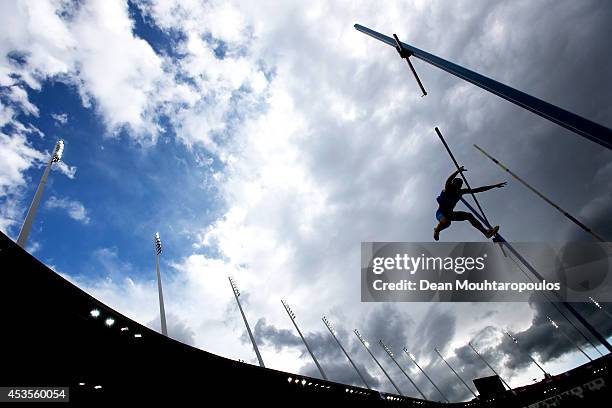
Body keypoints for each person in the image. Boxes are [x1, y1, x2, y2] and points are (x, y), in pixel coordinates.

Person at [434, 166, 506, 241]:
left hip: (450, 214)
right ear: (453, 183)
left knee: (468, 215)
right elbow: (448, 180)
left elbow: (478, 190)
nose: (458, 186)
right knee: (447, 222)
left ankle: (486, 232)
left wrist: (494, 186)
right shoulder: (448, 189)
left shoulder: (461, 192)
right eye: (457, 183)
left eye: (460, 184)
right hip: (441, 213)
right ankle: (437, 230)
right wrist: (458, 171)